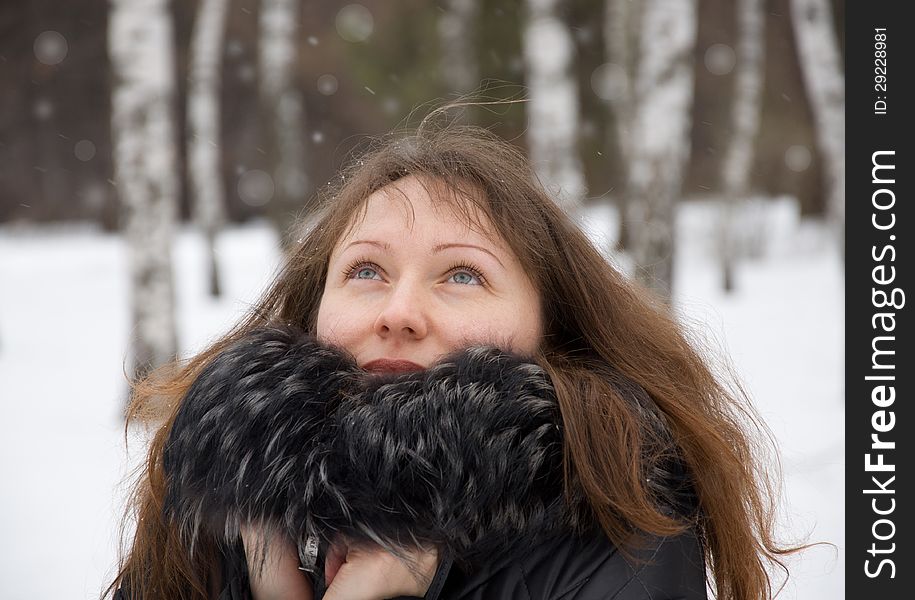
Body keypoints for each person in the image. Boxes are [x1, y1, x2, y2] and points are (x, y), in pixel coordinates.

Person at [106, 119, 794, 600]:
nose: (398, 311)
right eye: (366, 271)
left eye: (461, 275)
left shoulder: (617, 508)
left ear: (549, 328)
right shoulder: (221, 486)